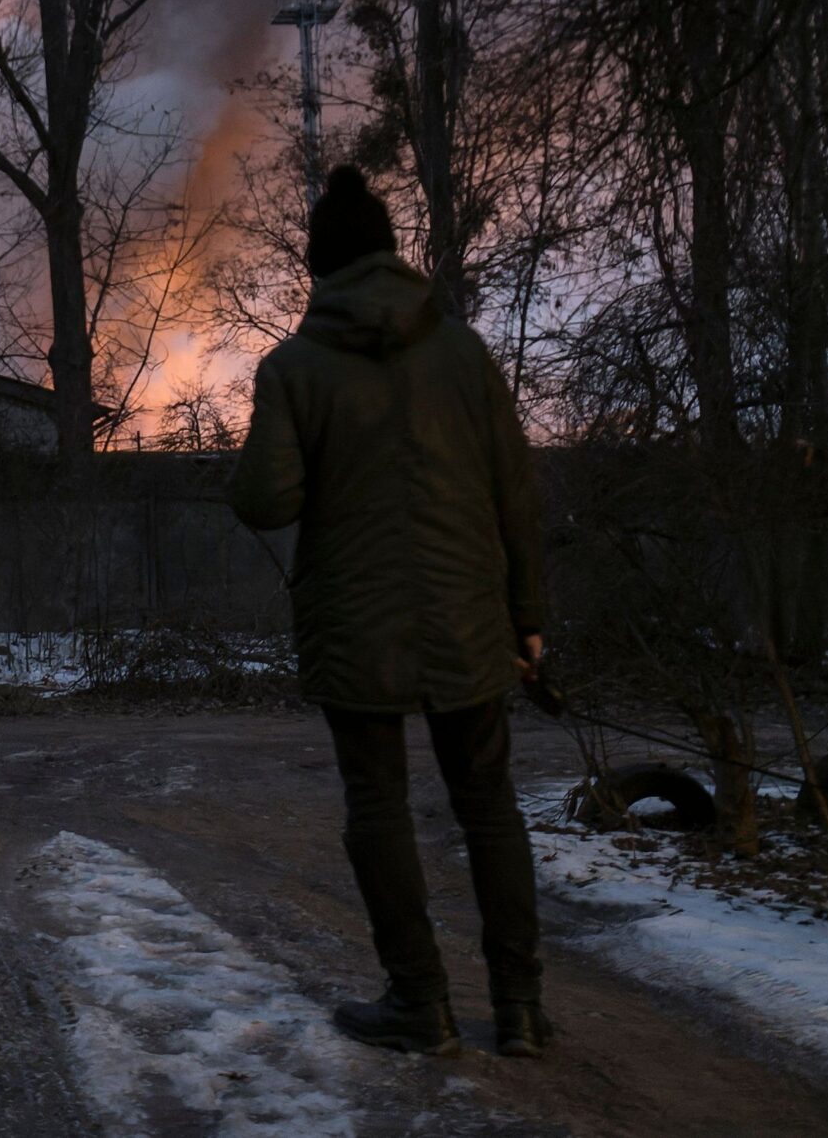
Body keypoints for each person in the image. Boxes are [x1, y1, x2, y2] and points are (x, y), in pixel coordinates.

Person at [228, 165, 553, 1059]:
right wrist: (526, 614)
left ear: (319, 267)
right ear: (392, 254)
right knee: (488, 804)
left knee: (379, 805)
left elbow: (266, 499)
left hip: (357, 624)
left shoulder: (292, 367)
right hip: (469, 617)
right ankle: (519, 1006)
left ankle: (421, 1000)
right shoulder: (464, 352)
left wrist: (249, 459)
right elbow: (514, 495)